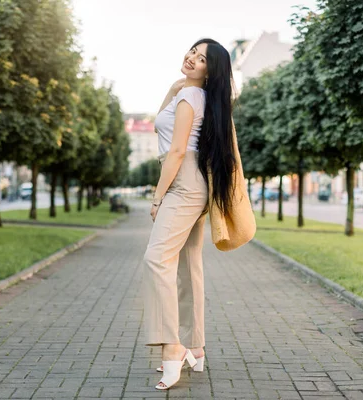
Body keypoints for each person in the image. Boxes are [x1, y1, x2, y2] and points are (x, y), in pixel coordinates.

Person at [142, 38, 238, 390]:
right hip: (195, 184)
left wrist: (157, 196)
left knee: (156, 259)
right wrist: (178, 83)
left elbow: (178, 150)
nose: (192, 59)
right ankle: (195, 347)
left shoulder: (189, 98)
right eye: (192, 52)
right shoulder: (191, 94)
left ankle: (172, 348)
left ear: (211, 72)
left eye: (201, 60)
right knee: (187, 264)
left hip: (182, 185)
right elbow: (162, 124)